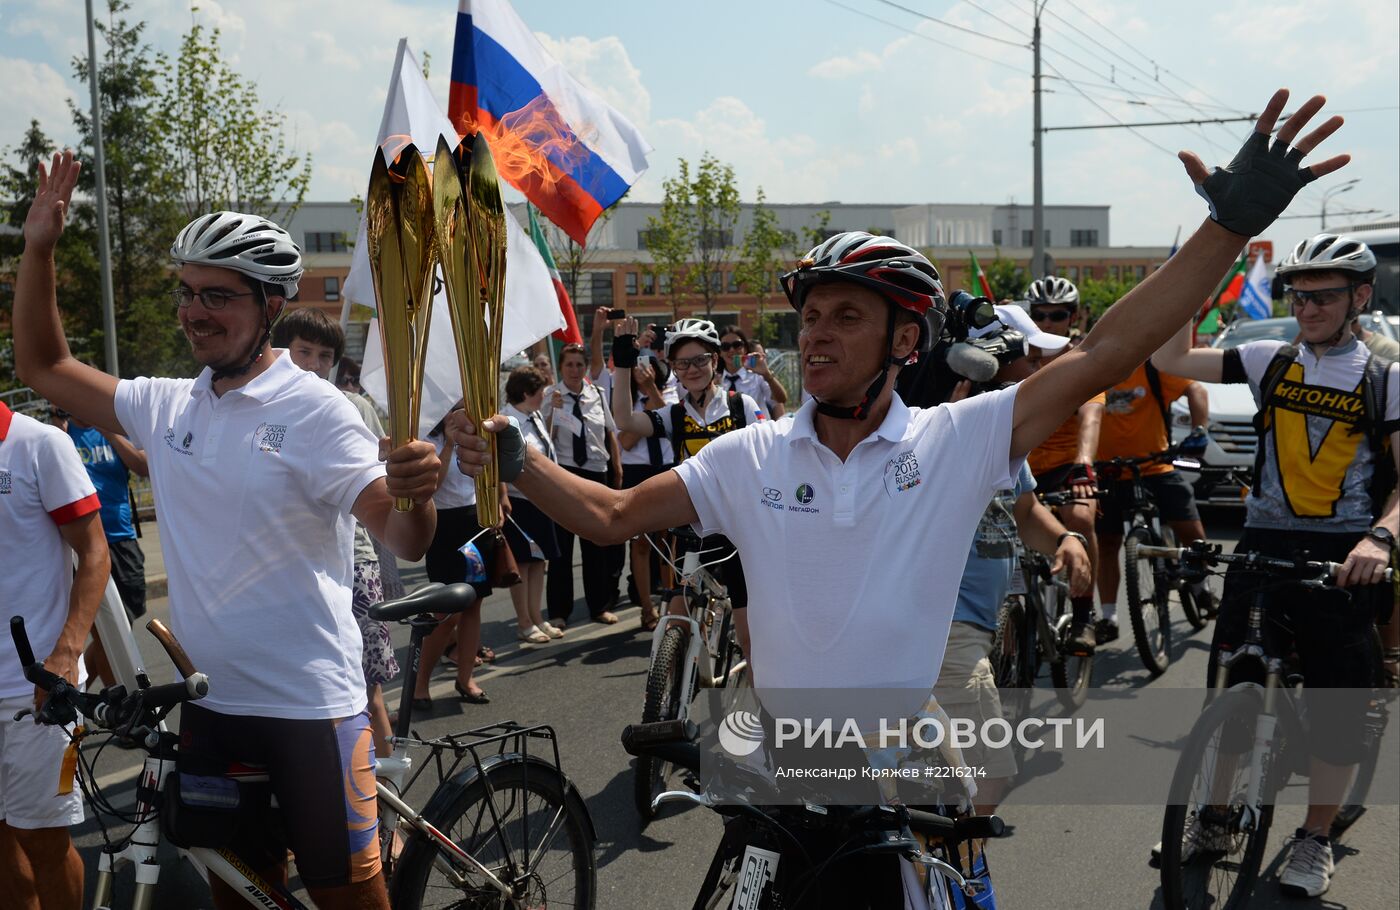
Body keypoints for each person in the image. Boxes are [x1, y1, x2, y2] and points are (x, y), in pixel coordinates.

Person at [450, 90, 1349, 905]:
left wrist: (1229, 225)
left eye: (846, 316)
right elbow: (608, 516)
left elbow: (1107, 351)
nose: (816, 335)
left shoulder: (952, 441)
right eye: (809, 317)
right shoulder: (747, 453)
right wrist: (512, 456)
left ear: (903, 337)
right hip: (779, 775)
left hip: (901, 776)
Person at [13, 152, 442, 910]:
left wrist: (415, 495)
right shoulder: (167, 404)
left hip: (310, 709)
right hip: (212, 709)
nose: (193, 311)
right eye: (186, 292)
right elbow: (45, 363)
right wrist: (39, 248)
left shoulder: (315, 409)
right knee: (241, 898)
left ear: (270, 306)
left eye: (218, 295)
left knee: (355, 900)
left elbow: (404, 537)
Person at [1151, 230, 1398, 898]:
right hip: (1261, 544)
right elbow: (1168, 353)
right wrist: (1200, 271)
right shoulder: (1266, 358)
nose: (1309, 306)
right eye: (1299, 293)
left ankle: (1315, 839)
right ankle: (1216, 814)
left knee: (1336, 710)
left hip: (1344, 553)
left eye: (1324, 295)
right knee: (1233, 685)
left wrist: (1379, 541)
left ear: (1360, 297)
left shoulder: (1385, 377)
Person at [935, 313, 1092, 814]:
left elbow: (1023, 511)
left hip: (969, 628)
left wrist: (1065, 537)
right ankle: (954, 877)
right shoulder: (942, 430)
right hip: (947, 632)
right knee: (988, 779)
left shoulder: (999, 432)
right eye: (1030, 358)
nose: (1039, 369)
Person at [272, 307, 400, 759]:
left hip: (353, 561)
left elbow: (382, 479)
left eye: (324, 355)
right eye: (303, 351)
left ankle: (391, 812)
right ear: (278, 350)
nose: (314, 363)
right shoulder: (258, 406)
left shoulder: (353, 406)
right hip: (286, 568)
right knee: (300, 692)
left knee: (365, 688)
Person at [0, 400, 107, 910]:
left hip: (34, 689)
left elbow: (94, 552)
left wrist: (67, 652)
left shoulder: (40, 444)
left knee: (42, 839)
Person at [608, 317, 765, 642]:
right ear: (675, 368)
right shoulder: (674, 415)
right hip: (694, 532)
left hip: (740, 533)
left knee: (751, 640)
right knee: (677, 618)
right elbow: (623, 419)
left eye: (699, 360)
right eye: (682, 363)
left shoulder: (741, 406)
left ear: (715, 360)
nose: (691, 369)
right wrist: (623, 362)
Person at [1093, 355, 1211, 643]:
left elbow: (1197, 390)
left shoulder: (1152, 369)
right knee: (1107, 544)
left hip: (1156, 466)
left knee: (1190, 529)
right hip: (1108, 471)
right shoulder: (1095, 370)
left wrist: (1200, 431)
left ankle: (1201, 586)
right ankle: (1108, 617)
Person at [1024, 276, 1105, 655]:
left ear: (1072, 318)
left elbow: (1091, 416)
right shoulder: (1014, 357)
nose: (1047, 323)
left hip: (1064, 466)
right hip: (1018, 465)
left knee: (1081, 517)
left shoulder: (1081, 360)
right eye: (1039, 315)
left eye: (1057, 315)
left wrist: (1083, 465)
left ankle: (1085, 615)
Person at [49, 406, 148, 691]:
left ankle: (68, 694)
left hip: (121, 538)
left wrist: (107, 429)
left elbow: (142, 467)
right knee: (106, 635)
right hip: (82, 547)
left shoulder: (111, 430)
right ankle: (121, 709)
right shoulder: (60, 437)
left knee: (124, 623)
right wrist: (60, 429)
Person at [416, 403, 498, 707]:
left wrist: (496, 502)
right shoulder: (427, 438)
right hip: (443, 526)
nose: (461, 410)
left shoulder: (474, 434)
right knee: (447, 614)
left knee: (474, 604)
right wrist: (449, 442)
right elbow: (429, 488)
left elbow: (490, 472)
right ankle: (419, 684)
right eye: (455, 405)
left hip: (474, 522)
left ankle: (466, 679)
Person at [545, 342, 623, 627]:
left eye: (579, 365)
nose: (575, 370)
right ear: (561, 367)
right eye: (569, 365)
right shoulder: (550, 396)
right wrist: (551, 411)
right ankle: (558, 612)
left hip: (595, 471)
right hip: (565, 473)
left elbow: (609, 434)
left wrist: (617, 468)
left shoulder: (598, 394)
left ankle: (599, 606)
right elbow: (545, 439)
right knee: (562, 547)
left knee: (596, 543)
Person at [500, 366, 566, 643]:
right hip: (519, 501)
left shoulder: (534, 414)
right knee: (524, 564)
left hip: (541, 499)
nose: (544, 396)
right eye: (541, 392)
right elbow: (500, 463)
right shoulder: (506, 420)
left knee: (539, 561)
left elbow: (544, 447)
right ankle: (524, 622)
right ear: (526, 393)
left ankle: (537, 617)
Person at [613, 353, 677, 632]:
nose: (643, 373)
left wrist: (652, 392)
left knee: (667, 542)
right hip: (638, 472)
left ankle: (669, 601)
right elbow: (626, 440)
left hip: (665, 468)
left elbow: (675, 427)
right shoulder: (627, 405)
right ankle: (646, 608)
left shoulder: (672, 398)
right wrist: (646, 412)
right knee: (640, 543)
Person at [719, 325, 787, 418]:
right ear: (720, 352)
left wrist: (767, 375)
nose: (731, 350)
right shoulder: (715, 381)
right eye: (725, 346)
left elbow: (781, 399)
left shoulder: (757, 375)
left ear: (745, 349)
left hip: (758, 430)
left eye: (737, 345)